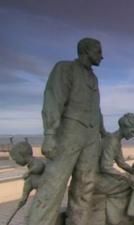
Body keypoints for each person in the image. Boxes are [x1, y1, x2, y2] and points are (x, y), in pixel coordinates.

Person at [27, 37, 107, 225]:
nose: (102, 57)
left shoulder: (93, 78)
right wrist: (49, 135)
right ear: (86, 51)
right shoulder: (65, 69)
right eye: (98, 51)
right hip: (69, 133)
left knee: (85, 185)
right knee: (54, 182)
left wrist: (103, 132)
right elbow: (53, 100)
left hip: (91, 137)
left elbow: (96, 108)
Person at [95, 113, 134, 225]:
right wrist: (127, 177)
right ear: (125, 128)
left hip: (104, 177)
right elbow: (105, 166)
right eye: (132, 131)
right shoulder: (112, 141)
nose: (133, 135)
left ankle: (127, 217)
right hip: (98, 179)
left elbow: (121, 162)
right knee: (131, 185)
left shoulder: (116, 140)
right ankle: (120, 218)